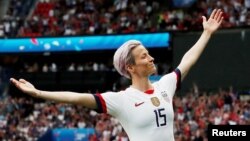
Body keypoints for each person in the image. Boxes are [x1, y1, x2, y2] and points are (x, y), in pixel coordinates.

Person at [10, 9, 223, 141]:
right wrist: (38, 93)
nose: (151, 59)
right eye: (143, 57)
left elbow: (187, 61)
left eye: (149, 55)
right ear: (130, 67)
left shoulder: (165, 85)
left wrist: (206, 33)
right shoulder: (121, 100)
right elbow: (76, 97)